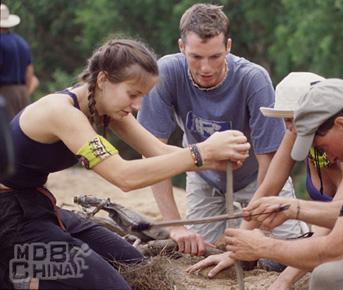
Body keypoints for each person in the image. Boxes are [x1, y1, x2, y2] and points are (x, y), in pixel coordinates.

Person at [0, 38, 250, 290]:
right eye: (133, 94)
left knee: (135, 265)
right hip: (10, 217)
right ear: (103, 80)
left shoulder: (105, 107)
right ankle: (13, 278)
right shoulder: (61, 112)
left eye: (142, 96)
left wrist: (213, 160)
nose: (138, 105)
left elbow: (159, 151)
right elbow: (124, 177)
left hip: (37, 206)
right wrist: (202, 151)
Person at [186, 72, 343, 290]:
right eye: (284, 120)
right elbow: (267, 187)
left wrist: (285, 280)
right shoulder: (295, 134)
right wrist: (235, 247)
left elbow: (340, 221)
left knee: (327, 275)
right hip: (330, 237)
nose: (288, 127)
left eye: (292, 119)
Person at [137, 3, 305, 256]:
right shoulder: (166, 73)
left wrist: (250, 229)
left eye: (215, 57)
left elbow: (270, 162)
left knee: (288, 254)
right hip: (204, 176)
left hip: (259, 178)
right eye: (196, 57)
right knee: (203, 253)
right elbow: (151, 153)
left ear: (228, 46)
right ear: (182, 48)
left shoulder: (254, 79)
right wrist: (176, 227)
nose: (206, 68)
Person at [0, 4, 39, 120]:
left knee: (6, 133)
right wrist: (25, 91)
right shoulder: (22, 42)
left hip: (4, 93)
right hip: (23, 93)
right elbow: (30, 72)